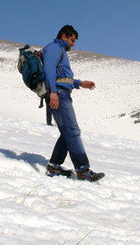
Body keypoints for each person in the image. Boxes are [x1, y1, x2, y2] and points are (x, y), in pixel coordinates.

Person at [43, 25, 104, 182]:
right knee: (73, 131)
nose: (74, 44)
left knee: (67, 132)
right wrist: (53, 93)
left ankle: (54, 166)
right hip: (59, 95)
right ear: (64, 37)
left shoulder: (60, 50)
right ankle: (83, 170)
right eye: (72, 40)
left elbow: (61, 76)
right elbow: (49, 70)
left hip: (62, 93)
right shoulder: (54, 48)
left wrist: (79, 83)